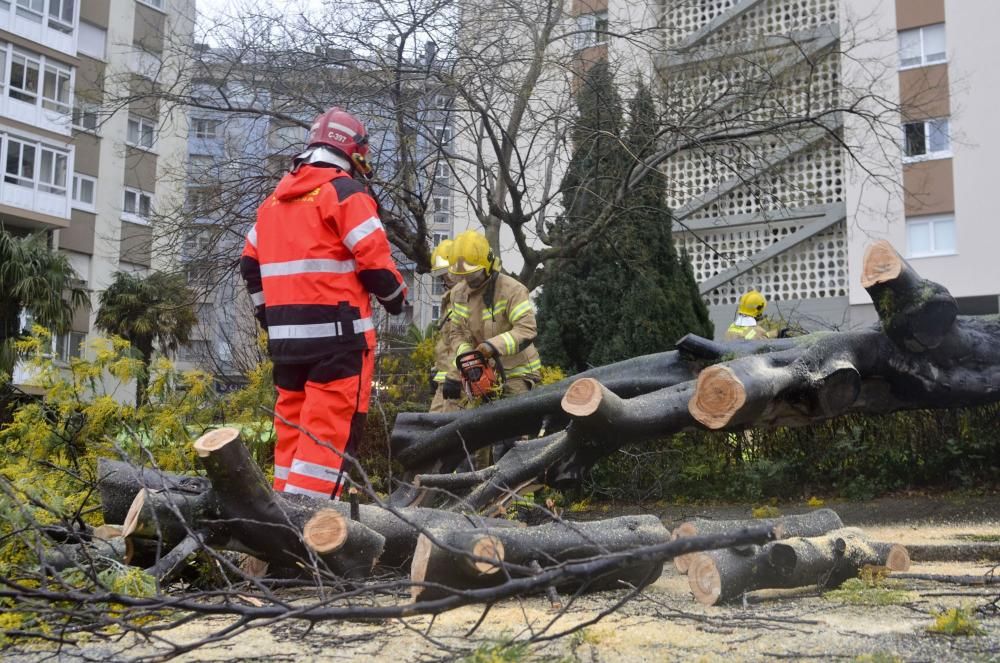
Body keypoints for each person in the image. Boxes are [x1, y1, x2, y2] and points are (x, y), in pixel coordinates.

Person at [240, 106, 407, 500]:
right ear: (354, 149)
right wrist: (397, 300)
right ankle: (308, 538)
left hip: (286, 347)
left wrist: (270, 317)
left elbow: (250, 267)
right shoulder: (346, 193)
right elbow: (377, 267)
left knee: (292, 438)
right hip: (339, 343)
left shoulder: (272, 205)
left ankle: (279, 520)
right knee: (325, 443)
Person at [447, 230, 542, 397]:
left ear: (488, 265)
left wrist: (493, 346)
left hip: (517, 373)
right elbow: (456, 333)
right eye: (464, 276)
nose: (469, 281)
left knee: (511, 419)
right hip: (482, 374)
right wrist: (466, 358)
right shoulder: (458, 294)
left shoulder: (512, 290)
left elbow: (527, 329)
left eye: (473, 275)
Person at [428, 239, 464, 413]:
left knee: (448, 435)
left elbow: (464, 343)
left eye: (445, 274)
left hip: (458, 383)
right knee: (431, 427)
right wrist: (437, 369)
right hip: (446, 381)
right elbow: (447, 343)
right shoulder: (450, 300)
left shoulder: (464, 301)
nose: (443, 280)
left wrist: (454, 377)